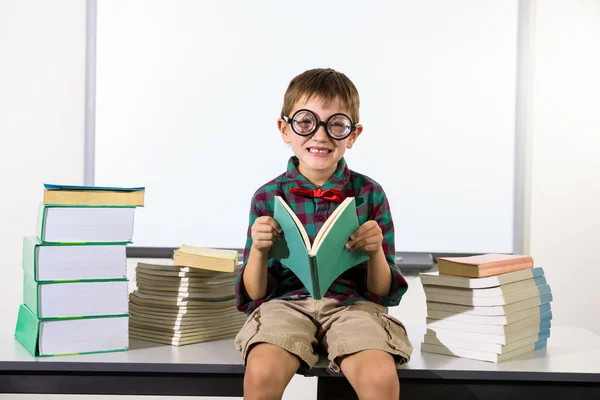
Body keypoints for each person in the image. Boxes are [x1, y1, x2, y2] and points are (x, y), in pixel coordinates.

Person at [234, 68, 412, 400]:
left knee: (379, 377)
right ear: (284, 129)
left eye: (336, 125)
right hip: (284, 306)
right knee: (261, 373)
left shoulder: (370, 193)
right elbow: (254, 295)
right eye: (306, 122)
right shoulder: (266, 197)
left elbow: (382, 293)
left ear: (353, 135)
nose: (320, 136)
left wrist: (374, 252)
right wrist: (259, 250)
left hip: (352, 306)